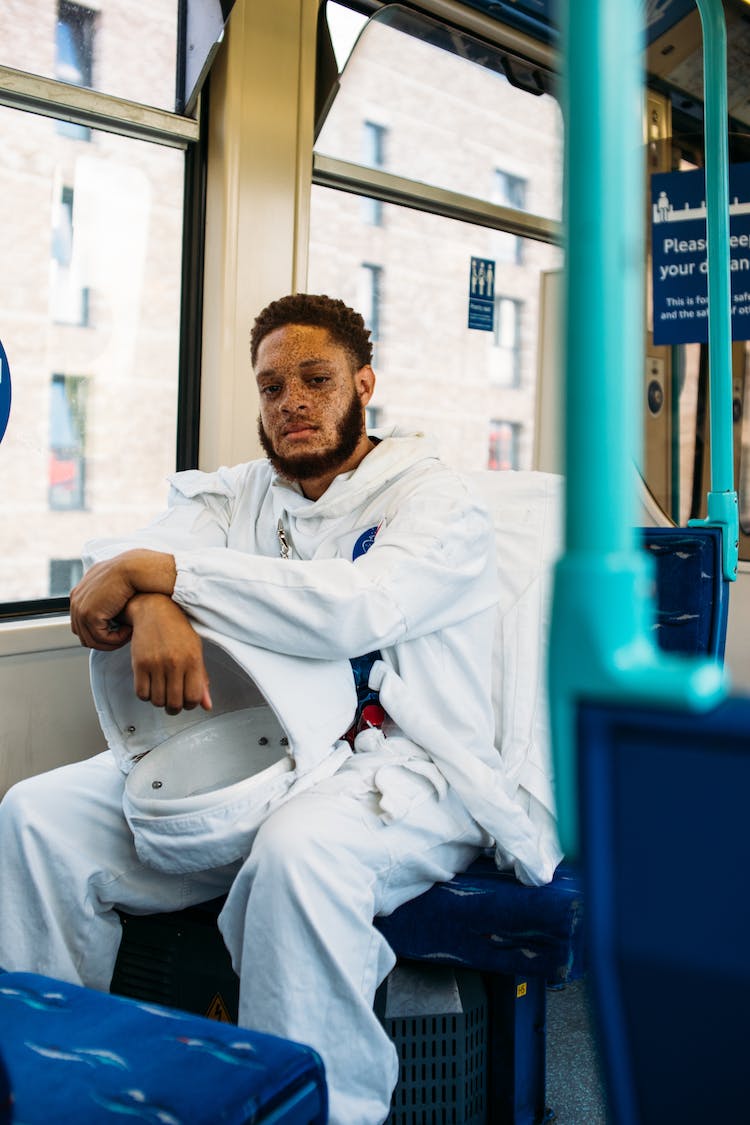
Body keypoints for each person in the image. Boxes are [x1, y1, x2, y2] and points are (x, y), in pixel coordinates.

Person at [0, 294, 558, 1125]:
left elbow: (357, 605)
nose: (291, 401)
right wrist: (154, 599)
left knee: (298, 860)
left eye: (315, 378)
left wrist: (170, 577)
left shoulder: (436, 502)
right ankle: (45, 1078)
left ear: (364, 383)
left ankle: (318, 1110)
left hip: (410, 763)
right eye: (270, 387)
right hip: (264, 745)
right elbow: (122, 558)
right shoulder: (240, 495)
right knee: (35, 815)